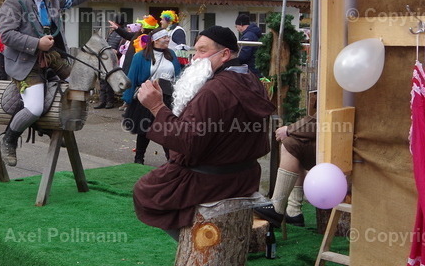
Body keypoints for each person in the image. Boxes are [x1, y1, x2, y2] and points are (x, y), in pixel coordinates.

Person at [133, 26, 274, 240]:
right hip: (246, 175)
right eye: (195, 51)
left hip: (213, 180)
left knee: (147, 191)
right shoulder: (251, 80)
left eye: (202, 51)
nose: (195, 58)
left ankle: (193, 246)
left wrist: (156, 108)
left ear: (225, 54)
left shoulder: (214, 91)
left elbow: (186, 141)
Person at [0, 0, 110, 166]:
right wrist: (36, 43)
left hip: (52, 56)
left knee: (79, 84)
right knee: (35, 107)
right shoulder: (14, 3)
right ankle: (9, 139)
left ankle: (52, 125)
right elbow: (6, 35)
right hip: (25, 63)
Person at [122, 30, 180, 164]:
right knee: (144, 129)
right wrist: (128, 98)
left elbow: (178, 74)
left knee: (167, 129)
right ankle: (139, 158)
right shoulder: (140, 56)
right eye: (164, 37)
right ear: (155, 40)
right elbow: (132, 77)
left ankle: (171, 159)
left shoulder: (171, 54)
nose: (167, 39)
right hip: (148, 96)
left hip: (167, 98)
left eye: (167, 37)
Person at [251, 115, 319, 227]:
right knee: (298, 143)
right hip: (336, 143)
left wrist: (289, 130)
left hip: (339, 148)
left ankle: (277, 207)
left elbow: (322, 123)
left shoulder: (335, 98)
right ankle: (293, 212)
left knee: (290, 144)